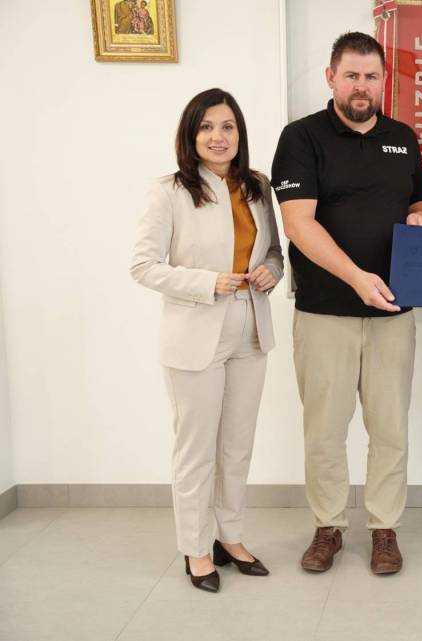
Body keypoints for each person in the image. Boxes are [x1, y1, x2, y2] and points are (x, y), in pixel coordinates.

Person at [270, 31, 422, 576]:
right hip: (324, 312)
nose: (361, 86)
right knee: (325, 430)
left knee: (390, 429)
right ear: (331, 78)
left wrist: (421, 220)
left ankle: (385, 528)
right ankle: (329, 526)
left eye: (371, 76)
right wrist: (358, 278)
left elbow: (420, 199)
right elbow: (298, 223)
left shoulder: (402, 137)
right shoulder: (301, 137)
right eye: (351, 76)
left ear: (383, 81)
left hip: (394, 312)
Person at [131, 88, 283, 593]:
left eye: (228, 127)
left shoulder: (257, 186)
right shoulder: (169, 191)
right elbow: (143, 266)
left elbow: (275, 253)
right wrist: (207, 282)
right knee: (195, 450)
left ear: (240, 134)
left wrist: (271, 270)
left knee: (236, 446)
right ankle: (196, 548)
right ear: (191, 134)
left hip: (250, 329)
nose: (219, 137)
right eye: (207, 127)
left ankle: (230, 537)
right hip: (196, 332)